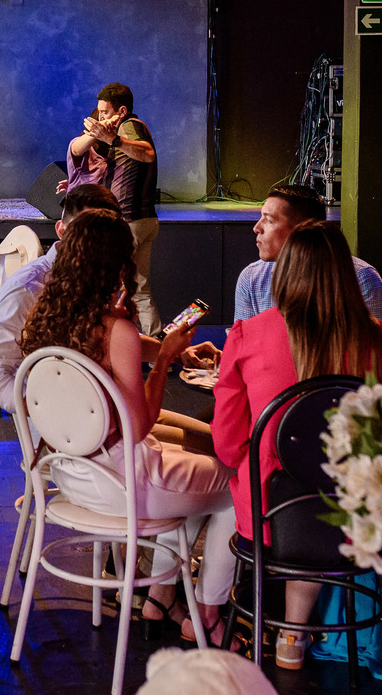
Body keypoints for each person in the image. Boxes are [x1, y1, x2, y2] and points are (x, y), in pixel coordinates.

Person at [19, 209, 238, 648]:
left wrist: (165, 348)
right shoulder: (115, 329)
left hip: (68, 474)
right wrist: (164, 359)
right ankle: (207, 615)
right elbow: (138, 427)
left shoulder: (48, 319)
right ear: (117, 264)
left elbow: (114, 347)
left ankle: (160, 596)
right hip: (124, 487)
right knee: (236, 485)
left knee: (195, 466)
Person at [212, 221, 382, 671]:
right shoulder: (378, 338)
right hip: (355, 515)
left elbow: (228, 445)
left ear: (283, 273)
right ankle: (294, 633)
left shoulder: (247, 335)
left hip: (269, 515)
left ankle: (266, 625)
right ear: (344, 273)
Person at [0, 184, 215, 439]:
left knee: (211, 438)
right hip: (80, 434)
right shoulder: (28, 288)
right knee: (217, 448)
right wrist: (54, 411)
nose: (97, 244)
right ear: (62, 230)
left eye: (105, 236)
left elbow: (106, 343)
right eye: (87, 233)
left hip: (112, 417)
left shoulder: (95, 279)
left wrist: (174, 352)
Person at [58, 83, 161, 336]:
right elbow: (80, 152)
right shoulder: (100, 144)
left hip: (130, 221)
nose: (101, 118)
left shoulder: (129, 127)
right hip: (145, 220)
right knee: (139, 289)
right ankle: (153, 343)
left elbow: (148, 154)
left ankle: (110, 342)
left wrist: (111, 137)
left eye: (105, 112)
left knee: (110, 285)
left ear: (122, 111)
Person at [235, 184, 382, 323]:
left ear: (302, 230)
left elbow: (372, 342)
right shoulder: (251, 279)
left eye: (268, 220)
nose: (256, 228)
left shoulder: (361, 279)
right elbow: (242, 341)